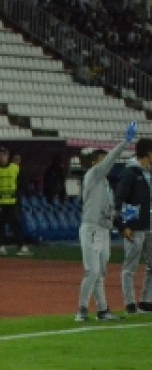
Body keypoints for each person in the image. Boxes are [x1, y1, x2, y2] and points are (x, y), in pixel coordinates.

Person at [76, 123, 135, 322]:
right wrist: (124, 143)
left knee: (100, 273)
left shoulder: (106, 185)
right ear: (94, 163)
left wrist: (121, 218)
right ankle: (82, 309)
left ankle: (102, 310)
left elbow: (109, 211)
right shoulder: (92, 176)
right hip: (91, 230)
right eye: (101, 162)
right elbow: (110, 160)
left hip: (102, 231)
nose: (105, 166)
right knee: (91, 271)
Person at [114, 137, 152, 315]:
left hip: (148, 226)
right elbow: (119, 200)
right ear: (149, 153)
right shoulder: (130, 173)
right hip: (134, 227)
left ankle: (146, 301)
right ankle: (130, 304)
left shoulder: (147, 173)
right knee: (130, 267)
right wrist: (123, 225)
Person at [0, 146, 31, 256]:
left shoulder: (15, 168)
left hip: (12, 201)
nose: (2, 157)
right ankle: (1, 247)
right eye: (0, 155)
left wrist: (17, 194)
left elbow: (23, 182)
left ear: (8, 156)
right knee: (0, 225)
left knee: (15, 223)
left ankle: (20, 246)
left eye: (5, 155)